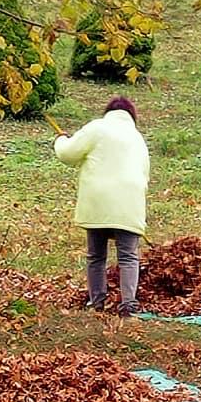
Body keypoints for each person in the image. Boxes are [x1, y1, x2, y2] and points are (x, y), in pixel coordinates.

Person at [53, 96, 151, 316]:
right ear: (131, 116)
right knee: (128, 256)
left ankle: (97, 302)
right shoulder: (138, 138)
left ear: (108, 112)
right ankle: (128, 305)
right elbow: (145, 176)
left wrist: (61, 139)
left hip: (97, 201)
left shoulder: (97, 128)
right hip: (129, 202)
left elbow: (68, 154)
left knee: (96, 255)